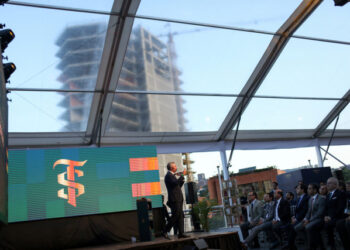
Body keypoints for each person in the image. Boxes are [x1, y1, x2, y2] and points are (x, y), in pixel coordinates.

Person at [295, 183, 326, 250]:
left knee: (308, 227)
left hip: (319, 219)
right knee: (297, 227)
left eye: (309, 189)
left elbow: (319, 213)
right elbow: (309, 211)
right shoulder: (310, 199)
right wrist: (305, 218)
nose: (308, 190)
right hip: (310, 219)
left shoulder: (321, 198)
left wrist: (309, 220)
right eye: (308, 189)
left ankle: (311, 246)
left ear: (315, 190)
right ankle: (309, 243)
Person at [163, 162, 188, 239]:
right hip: (175, 199)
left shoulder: (172, 175)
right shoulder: (168, 175)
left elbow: (177, 186)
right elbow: (175, 183)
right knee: (176, 215)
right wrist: (182, 175)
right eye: (175, 166)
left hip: (178, 198)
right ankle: (165, 231)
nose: (176, 167)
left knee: (180, 216)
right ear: (172, 168)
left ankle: (181, 233)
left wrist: (182, 179)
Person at [323, 177, 347, 249]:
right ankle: (331, 245)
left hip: (338, 216)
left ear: (335, 184)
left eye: (329, 183)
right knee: (324, 224)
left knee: (332, 225)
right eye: (327, 183)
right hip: (329, 217)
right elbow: (326, 208)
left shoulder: (341, 194)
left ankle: (343, 245)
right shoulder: (328, 195)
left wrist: (330, 217)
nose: (327, 185)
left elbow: (340, 208)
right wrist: (326, 216)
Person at [288, 183, 309, 249]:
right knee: (289, 226)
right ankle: (292, 246)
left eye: (298, 188)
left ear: (302, 190)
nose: (296, 190)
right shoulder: (299, 198)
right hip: (298, 218)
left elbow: (304, 211)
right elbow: (297, 210)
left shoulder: (306, 198)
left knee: (293, 228)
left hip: (304, 218)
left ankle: (307, 245)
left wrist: (296, 219)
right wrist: (294, 217)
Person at [336, 181, 350, 249]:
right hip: (348, 214)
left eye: (349, 187)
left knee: (347, 223)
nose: (347, 188)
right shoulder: (346, 195)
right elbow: (347, 207)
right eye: (347, 186)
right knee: (339, 223)